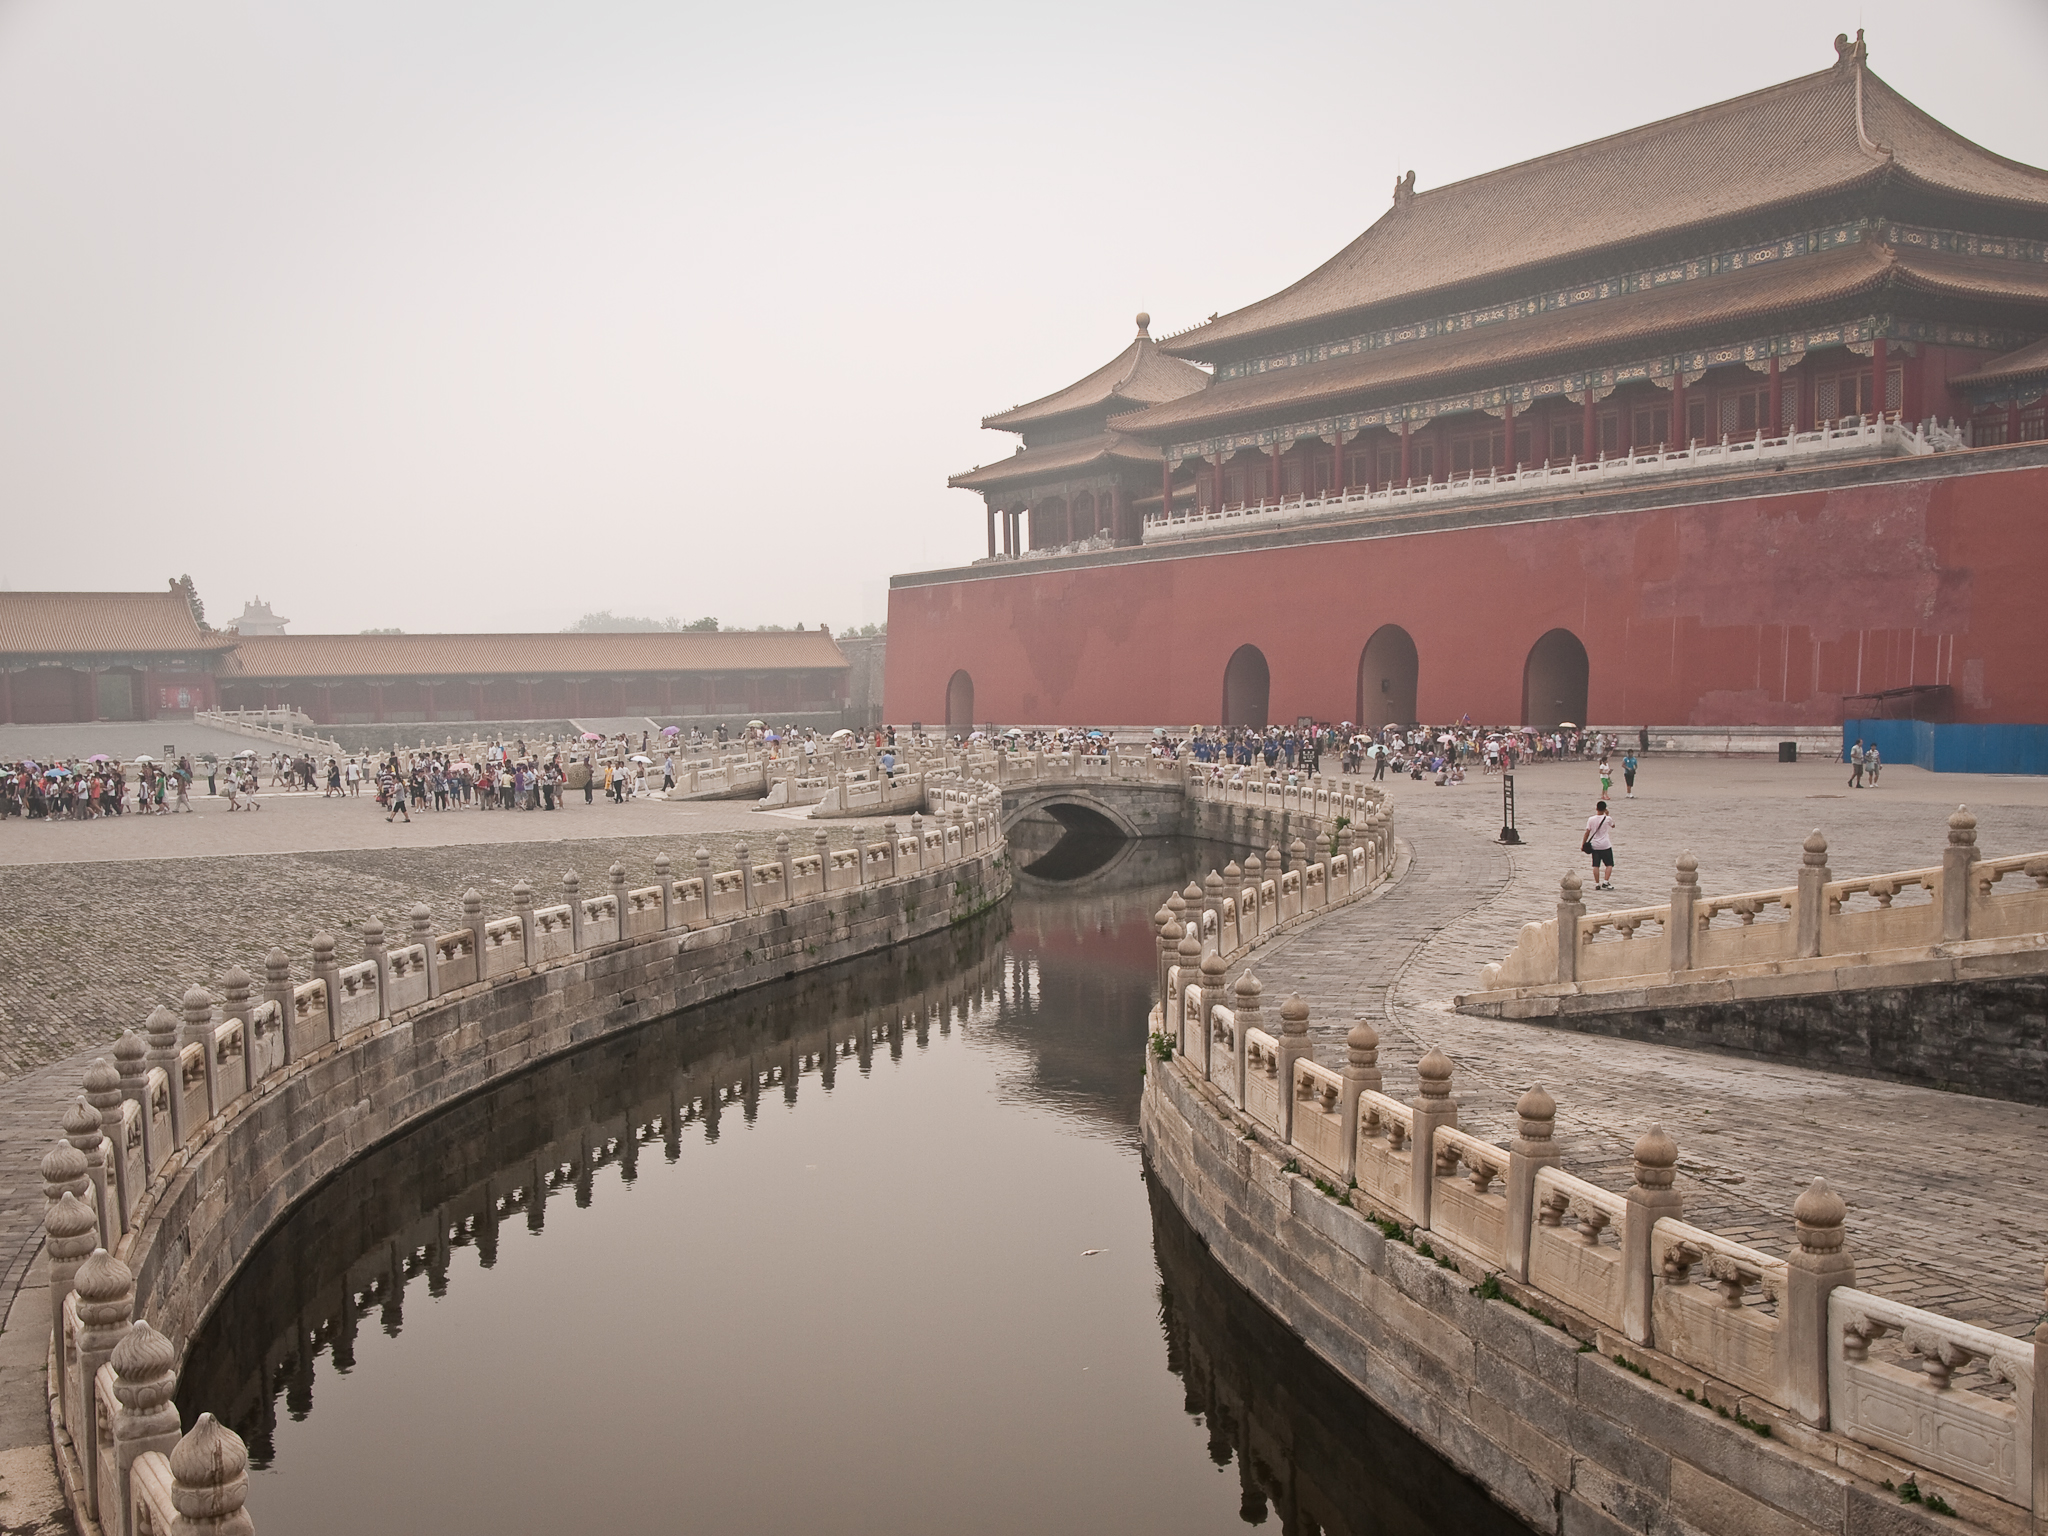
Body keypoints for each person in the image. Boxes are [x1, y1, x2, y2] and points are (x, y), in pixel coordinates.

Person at [1584, 800, 1617, 890]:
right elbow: (1613, 825)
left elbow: (1587, 832)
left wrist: (1583, 843)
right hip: (1605, 844)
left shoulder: (1591, 819)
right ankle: (1606, 881)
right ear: (1605, 809)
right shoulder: (1607, 819)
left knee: (1596, 865)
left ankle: (1597, 883)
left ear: (1596, 808)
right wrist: (1608, 814)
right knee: (1609, 864)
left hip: (1595, 845)